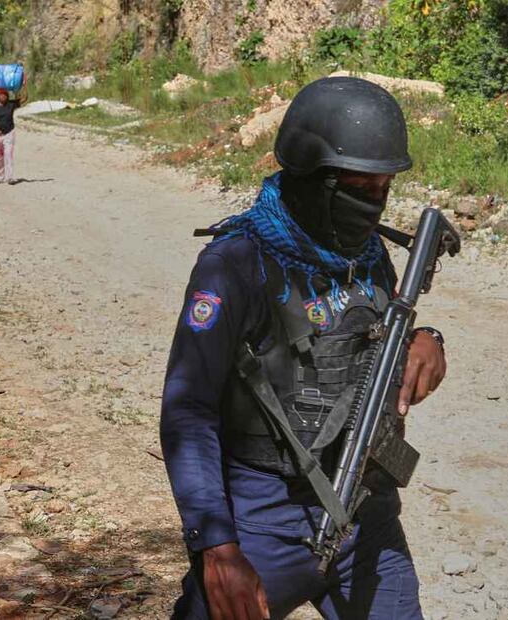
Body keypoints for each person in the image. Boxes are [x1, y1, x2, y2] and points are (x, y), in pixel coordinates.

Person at [161, 76, 447, 619]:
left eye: (383, 189)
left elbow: (370, 335)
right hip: (263, 521)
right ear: (310, 175)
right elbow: (187, 409)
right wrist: (215, 545)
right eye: (358, 187)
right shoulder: (236, 263)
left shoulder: (367, 255)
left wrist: (426, 340)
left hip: (366, 514)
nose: (372, 205)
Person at [0, 75, 28, 185]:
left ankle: (10, 178)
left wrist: (24, 85)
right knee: (0, 156)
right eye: (2, 94)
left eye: (5, 94)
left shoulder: (11, 104)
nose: (4, 96)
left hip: (9, 132)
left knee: (8, 154)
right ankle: (1, 176)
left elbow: (24, 99)